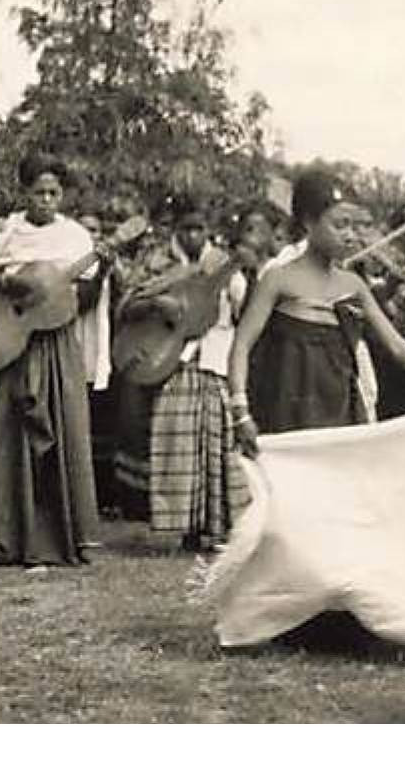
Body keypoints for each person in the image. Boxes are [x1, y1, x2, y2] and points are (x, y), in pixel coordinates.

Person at [229, 170, 405, 453]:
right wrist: (240, 409)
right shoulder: (278, 279)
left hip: (338, 412)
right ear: (309, 223)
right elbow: (242, 343)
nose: (350, 236)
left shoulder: (353, 286)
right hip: (285, 411)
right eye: (340, 225)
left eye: (354, 227)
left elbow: (397, 347)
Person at [0, 155, 103, 568]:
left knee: (63, 429)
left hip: (56, 341)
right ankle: (3, 536)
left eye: (54, 192)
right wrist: (6, 282)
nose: (46, 199)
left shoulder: (76, 236)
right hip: (11, 341)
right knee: (9, 430)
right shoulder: (7, 232)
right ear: (24, 192)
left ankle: (68, 536)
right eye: (38, 192)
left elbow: (86, 296)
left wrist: (98, 272)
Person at [118, 197, 249, 550]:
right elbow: (127, 304)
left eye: (199, 228)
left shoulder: (225, 267)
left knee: (216, 442)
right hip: (168, 359)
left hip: (213, 359)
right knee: (176, 443)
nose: (192, 236)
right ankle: (186, 527)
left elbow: (240, 311)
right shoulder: (158, 263)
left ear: (209, 230)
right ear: (176, 229)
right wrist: (155, 302)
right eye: (186, 228)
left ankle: (218, 525)